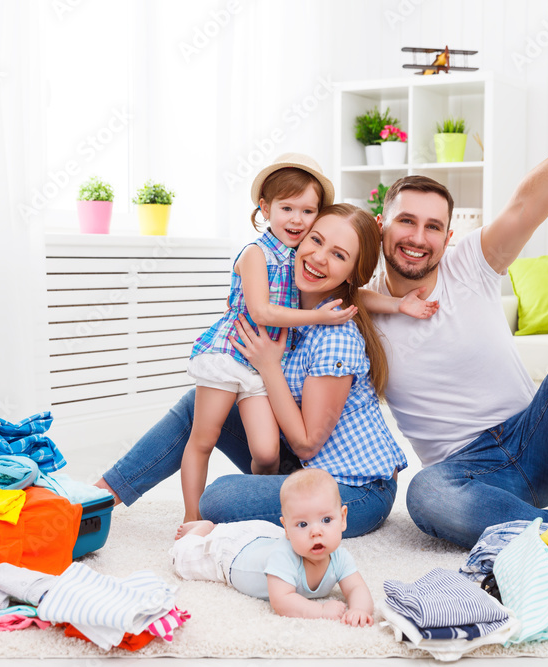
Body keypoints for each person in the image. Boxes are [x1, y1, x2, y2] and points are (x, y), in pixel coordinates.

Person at [366, 48, 548, 548]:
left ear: (447, 235)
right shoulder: (361, 311)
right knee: (424, 494)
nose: (418, 236)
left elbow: (527, 203)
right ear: (381, 226)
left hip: (535, 440)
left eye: (433, 226)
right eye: (406, 221)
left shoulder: (469, 265)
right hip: (467, 474)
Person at [97, 203, 410, 537]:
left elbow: (306, 443)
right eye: (315, 240)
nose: (319, 257)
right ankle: (98, 498)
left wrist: (268, 365)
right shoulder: (285, 305)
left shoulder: (335, 337)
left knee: (219, 499)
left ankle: (213, 508)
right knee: (201, 403)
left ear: (351, 273)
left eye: (338, 255)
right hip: (304, 466)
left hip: (355, 490)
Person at [180, 153, 355, 524]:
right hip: (231, 355)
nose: (296, 219)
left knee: (267, 453)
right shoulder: (255, 253)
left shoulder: (300, 257)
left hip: (261, 365)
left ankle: (259, 509)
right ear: (265, 208)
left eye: (307, 211)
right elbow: (260, 311)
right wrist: (318, 316)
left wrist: (398, 305)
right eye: (286, 208)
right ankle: (192, 518)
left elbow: (354, 291)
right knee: (203, 439)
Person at [171, 468, 374, 626]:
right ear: (286, 526)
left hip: (265, 536)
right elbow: (282, 601)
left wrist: (360, 610)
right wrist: (320, 612)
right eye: (303, 524)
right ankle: (202, 529)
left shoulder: (340, 556)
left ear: (343, 518)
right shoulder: (284, 556)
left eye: (327, 520)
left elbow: (357, 587)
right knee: (183, 559)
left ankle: (218, 527)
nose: (316, 532)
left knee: (276, 536)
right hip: (232, 553)